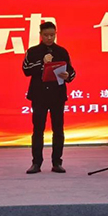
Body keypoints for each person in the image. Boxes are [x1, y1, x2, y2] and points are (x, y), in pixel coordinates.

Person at [22, 21, 76, 174]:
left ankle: (57, 162)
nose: (49, 38)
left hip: (57, 95)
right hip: (39, 95)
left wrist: (67, 76)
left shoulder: (62, 51)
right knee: (38, 129)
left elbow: (72, 72)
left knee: (58, 129)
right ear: (41, 35)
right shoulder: (32, 51)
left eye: (52, 35)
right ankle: (36, 163)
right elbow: (26, 70)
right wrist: (42, 63)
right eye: (46, 35)